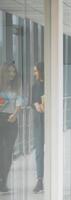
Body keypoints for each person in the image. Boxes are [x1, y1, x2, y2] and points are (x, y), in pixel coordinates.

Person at [0, 62, 21, 192]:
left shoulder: (17, 86)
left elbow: (19, 102)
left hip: (12, 121)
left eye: (14, 72)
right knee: (1, 151)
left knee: (8, 152)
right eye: (10, 72)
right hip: (1, 119)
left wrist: (15, 114)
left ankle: (4, 181)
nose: (12, 74)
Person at [31, 62, 45, 193]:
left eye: (36, 71)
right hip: (38, 123)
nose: (34, 73)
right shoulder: (35, 86)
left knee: (49, 151)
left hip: (48, 122)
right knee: (39, 152)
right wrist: (35, 105)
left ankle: (52, 177)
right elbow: (32, 101)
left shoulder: (48, 84)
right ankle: (40, 180)